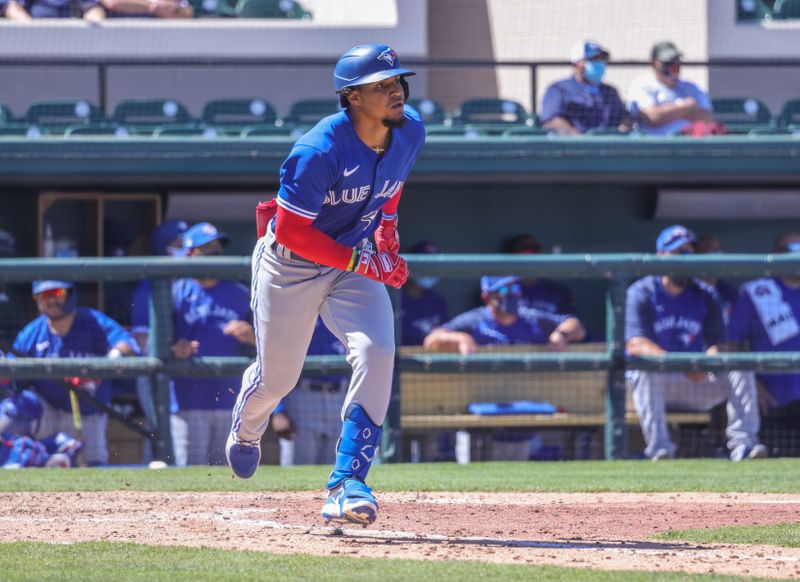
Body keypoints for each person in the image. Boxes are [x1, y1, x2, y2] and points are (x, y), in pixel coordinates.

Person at [226, 43, 424, 527]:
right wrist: (367, 260)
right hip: (289, 265)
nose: (396, 91)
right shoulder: (318, 150)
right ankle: (248, 431)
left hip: (350, 263)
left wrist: (387, 239)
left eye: (398, 81)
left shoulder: (410, 129)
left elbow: (391, 188)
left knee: (378, 351)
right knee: (279, 378)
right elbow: (293, 231)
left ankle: (346, 481)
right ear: (352, 97)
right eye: (383, 86)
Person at [625, 225, 766, 462]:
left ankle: (744, 446)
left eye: (690, 251)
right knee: (643, 368)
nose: (686, 257)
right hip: (659, 382)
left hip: (696, 380)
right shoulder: (642, 291)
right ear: (662, 256)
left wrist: (707, 362)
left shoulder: (706, 292)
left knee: (740, 365)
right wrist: (681, 364)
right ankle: (661, 449)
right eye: (679, 251)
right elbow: (637, 344)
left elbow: (717, 344)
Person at [423, 276, 586, 460]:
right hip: (482, 416)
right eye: (502, 291)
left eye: (515, 289)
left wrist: (560, 334)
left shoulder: (530, 318)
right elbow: (431, 340)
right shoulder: (474, 320)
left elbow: (576, 326)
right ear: (486, 297)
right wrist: (461, 338)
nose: (511, 295)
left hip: (527, 414)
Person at [11, 280, 139, 465]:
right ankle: (13, 459)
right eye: (45, 295)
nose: (51, 299)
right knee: (17, 407)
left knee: (92, 466)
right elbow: (12, 372)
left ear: (70, 294)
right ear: (36, 299)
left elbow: (127, 345)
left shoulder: (92, 320)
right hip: (48, 410)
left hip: (87, 409)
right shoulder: (32, 333)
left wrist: (99, 368)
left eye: (57, 292)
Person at [171, 222, 254, 466]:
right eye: (205, 248)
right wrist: (174, 349)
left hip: (230, 397)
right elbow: (154, 346)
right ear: (189, 254)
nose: (213, 252)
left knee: (226, 471)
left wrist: (250, 336)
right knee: (189, 471)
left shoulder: (240, 292)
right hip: (189, 399)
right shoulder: (176, 292)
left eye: (216, 247)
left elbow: (267, 342)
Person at [129, 219, 188, 465]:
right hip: (153, 371)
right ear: (164, 247)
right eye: (178, 244)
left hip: (178, 372)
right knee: (160, 430)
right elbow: (141, 341)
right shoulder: (149, 285)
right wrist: (168, 350)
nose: (184, 249)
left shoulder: (186, 282)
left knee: (174, 432)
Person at [728, 232, 800, 420]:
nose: (794, 255)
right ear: (775, 256)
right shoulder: (757, 292)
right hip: (771, 402)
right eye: (787, 250)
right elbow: (731, 344)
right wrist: (752, 384)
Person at [277, 318, 349, 466]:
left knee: (338, 470)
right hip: (302, 395)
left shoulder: (343, 304)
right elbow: (275, 360)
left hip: (340, 396)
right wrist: (279, 409)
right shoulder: (297, 304)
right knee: (297, 471)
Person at [540, 40, 630, 136]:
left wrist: (622, 131)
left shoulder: (610, 92)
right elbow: (552, 121)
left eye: (602, 59)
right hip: (573, 148)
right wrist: (581, 141)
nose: (600, 63)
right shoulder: (558, 89)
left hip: (609, 146)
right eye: (594, 59)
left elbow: (624, 119)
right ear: (577, 64)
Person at [627, 41, 715, 136]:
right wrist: (684, 107)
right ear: (653, 64)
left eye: (677, 63)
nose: (673, 68)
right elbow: (653, 117)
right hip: (654, 146)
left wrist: (668, 112)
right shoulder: (643, 84)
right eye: (668, 63)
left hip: (687, 146)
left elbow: (707, 118)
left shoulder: (692, 88)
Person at [0, 389, 82, 468]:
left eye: (17, 420)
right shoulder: (23, 444)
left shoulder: (28, 444)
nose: (10, 424)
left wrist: (52, 459)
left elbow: (72, 447)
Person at [502, 233, 578, 316]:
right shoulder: (502, 290)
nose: (532, 253)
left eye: (536, 249)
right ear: (513, 253)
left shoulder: (558, 291)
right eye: (526, 248)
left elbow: (571, 323)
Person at [401, 241, 449, 345]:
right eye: (425, 265)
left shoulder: (437, 302)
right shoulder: (394, 299)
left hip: (431, 358)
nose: (429, 271)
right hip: (401, 359)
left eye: (433, 266)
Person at [695, 234, 739, 325]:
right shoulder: (689, 290)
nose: (717, 253)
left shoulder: (730, 293)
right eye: (711, 250)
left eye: (719, 249)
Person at [1, 0, 105, 20]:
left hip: (73, 42)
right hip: (33, 48)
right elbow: (11, 8)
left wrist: (92, 35)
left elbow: (93, 9)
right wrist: (33, 35)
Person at [101, 0, 192, 18]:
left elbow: (186, 13)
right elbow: (111, 3)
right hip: (117, 39)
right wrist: (153, 7)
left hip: (159, 42)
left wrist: (173, 9)